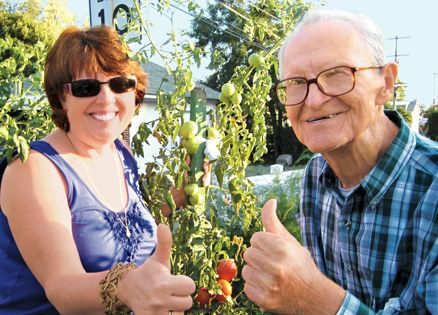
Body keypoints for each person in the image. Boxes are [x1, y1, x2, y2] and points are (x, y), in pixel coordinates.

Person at [242, 9, 438, 314]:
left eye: (336, 74)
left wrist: (312, 297)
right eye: (296, 82)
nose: (314, 100)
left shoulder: (433, 190)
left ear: (386, 83)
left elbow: (315, 296)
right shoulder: (315, 176)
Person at [0, 25, 195, 314]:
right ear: (62, 98)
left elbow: (118, 231)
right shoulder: (35, 168)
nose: (106, 99)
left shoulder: (121, 154)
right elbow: (62, 288)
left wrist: (175, 198)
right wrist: (126, 286)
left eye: (120, 84)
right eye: (86, 87)